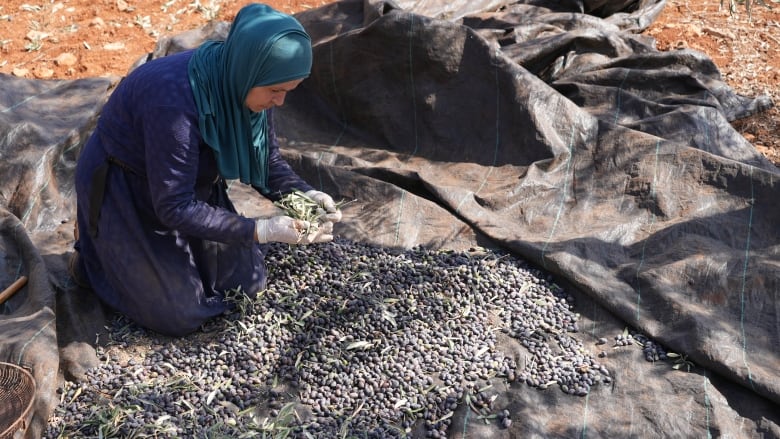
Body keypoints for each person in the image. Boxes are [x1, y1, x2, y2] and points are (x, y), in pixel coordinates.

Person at [70, 3, 341, 336]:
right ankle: (94, 257)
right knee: (179, 313)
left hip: (189, 185)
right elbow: (173, 205)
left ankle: (148, 259)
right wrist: (261, 230)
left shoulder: (247, 84)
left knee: (248, 284)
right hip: (128, 188)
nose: (280, 102)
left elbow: (267, 163)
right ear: (249, 71)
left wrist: (305, 195)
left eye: (287, 91)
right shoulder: (173, 102)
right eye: (275, 91)